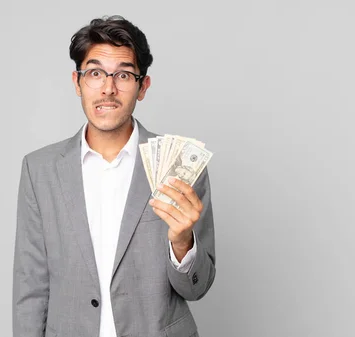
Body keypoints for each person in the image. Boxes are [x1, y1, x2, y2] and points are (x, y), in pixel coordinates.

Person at [13, 15, 216, 337]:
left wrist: (182, 242)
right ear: (77, 82)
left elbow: (197, 287)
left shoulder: (180, 166)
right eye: (95, 73)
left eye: (123, 74)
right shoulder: (39, 169)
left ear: (142, 86)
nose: (108, 88)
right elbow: (30, 284)